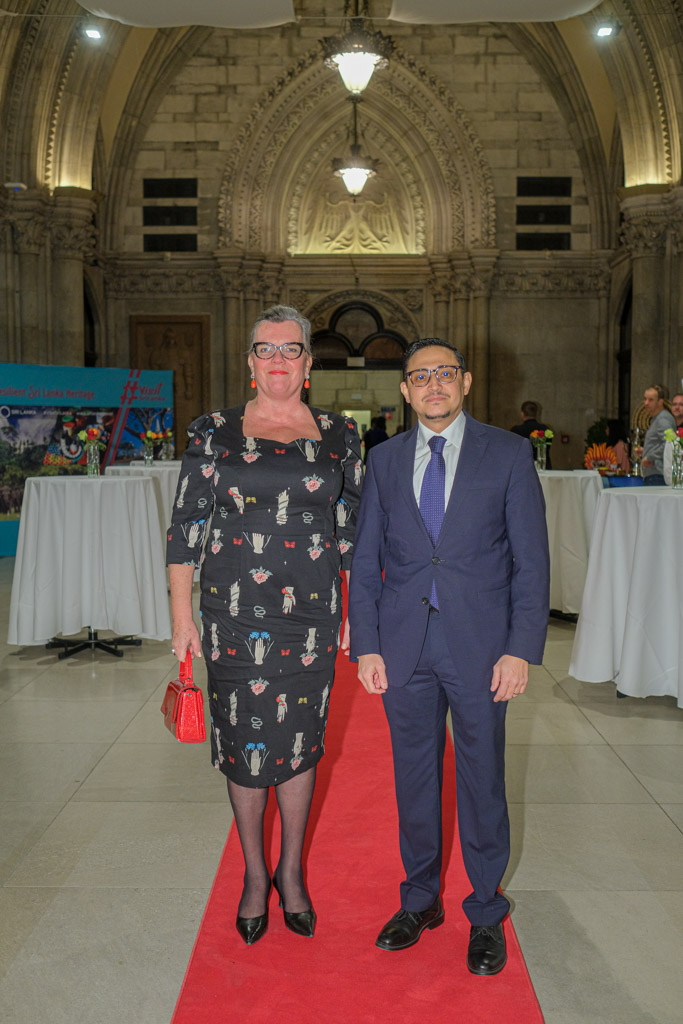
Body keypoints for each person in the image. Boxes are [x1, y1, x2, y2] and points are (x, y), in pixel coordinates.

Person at [349, 338, 549, 976]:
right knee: (414, 777)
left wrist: (520, 650)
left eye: (444, 373)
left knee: (482, 776)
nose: (432, 384)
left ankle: (485, 910)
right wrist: (368, 642)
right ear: (405, 390)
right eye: (419, 376)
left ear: (464, 382)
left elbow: (531, 562)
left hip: (482, 647)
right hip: (404, 645)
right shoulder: (383, 459)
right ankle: (420, 899)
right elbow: (364, 559)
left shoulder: (508, 453)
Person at [166, 304, 362, 946]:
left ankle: (291, 869)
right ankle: (255, 873)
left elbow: (351, 530)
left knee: (302, 739)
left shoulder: (340, 433)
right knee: (243, 741)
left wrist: (355, 611)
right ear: (250, 362)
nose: (278, 359)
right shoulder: (213, 430)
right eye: (266, 349)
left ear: (308, 363)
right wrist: (182, 617)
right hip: (233, 611)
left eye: (290, 349)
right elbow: (186, 527)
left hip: (311, 612)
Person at [634, 384, 675, 485]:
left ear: (660, 402)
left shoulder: (663, 419)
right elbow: (661, 443)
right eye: (645, 399)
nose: (646, 403)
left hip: (658, 475)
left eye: (651, 400)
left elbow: (669, 443)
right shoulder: (657, 419)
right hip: (655, 474)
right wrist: (645, 451)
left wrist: (650, 457)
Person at [510, 400, 552, 468]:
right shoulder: (546, 430)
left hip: (522, 467)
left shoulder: (516, 431)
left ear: (522, 414)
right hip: (543, 467)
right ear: (536, 413)